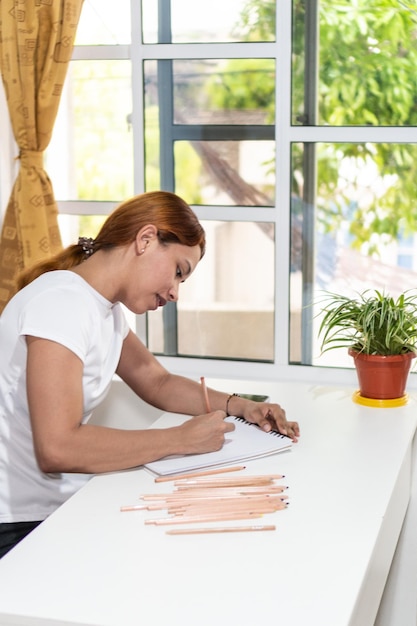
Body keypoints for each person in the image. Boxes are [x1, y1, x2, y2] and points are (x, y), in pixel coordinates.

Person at [0, 190, 299, 558]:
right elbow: (58, 448)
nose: (175, 293)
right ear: (145, 239)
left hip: (57, 508)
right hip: (18, 524)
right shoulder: (63, 304)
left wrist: (241, 406)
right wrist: (181, 439)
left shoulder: (102, 310)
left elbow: (156, 381)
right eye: (178, 271)